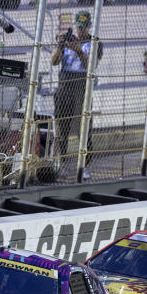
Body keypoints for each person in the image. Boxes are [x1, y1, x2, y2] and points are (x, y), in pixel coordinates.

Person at [50, 10, 102, 179]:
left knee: (84, 128)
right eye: (79, 27)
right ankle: (62, 163)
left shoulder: (95, 43)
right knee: (62, 127)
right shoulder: (69, 39)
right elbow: (54, 61)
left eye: (84, 27)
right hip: (65, 83)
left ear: (89, 26)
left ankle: (85, 165)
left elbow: (91, 65)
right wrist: (60, 46)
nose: (81, 31)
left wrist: (80, 51)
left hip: (82, 84)